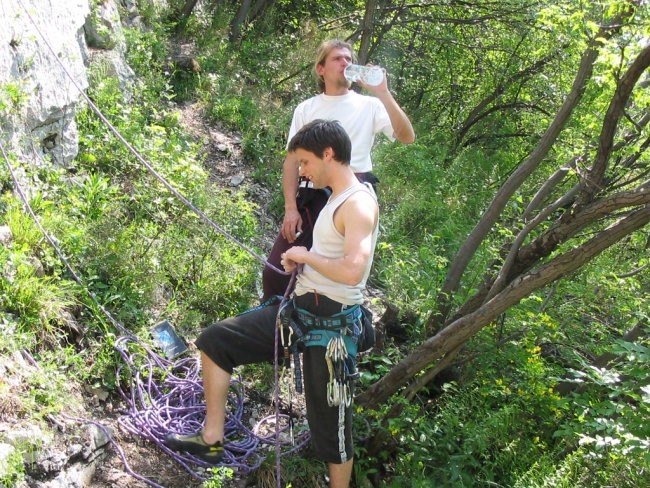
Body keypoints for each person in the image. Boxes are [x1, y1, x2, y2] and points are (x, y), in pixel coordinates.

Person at [165, 119, 380, 488]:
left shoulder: (358, 203)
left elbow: (352, 272)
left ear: (329, 154)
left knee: (331, 424)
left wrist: (306, 257)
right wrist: (303, 258)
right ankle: (211, 439)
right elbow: (334, 258)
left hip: (331, 328)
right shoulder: (335, 199)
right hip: (300, 313)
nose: (302, 172)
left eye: (306, 163)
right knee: (217, 341)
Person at [261, 38, 414, 301]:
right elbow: (292, 161)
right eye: (338, 58)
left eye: (349, 59)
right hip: (311, 194)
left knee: (329, 279)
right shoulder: (307, 108)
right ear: (321, 69)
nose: (346, 63)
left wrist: (383, 92)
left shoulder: (370, 105)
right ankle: (272, 328)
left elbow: (406, 136)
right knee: (277, 271)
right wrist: (290, 208)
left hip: (351, 198)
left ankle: (315, 331)